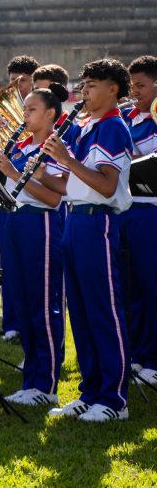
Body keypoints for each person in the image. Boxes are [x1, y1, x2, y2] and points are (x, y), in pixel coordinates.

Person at [41, 58, 134, 422]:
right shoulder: (84, 126)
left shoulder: (113, 127)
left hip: (99, 224)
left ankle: (114, 400)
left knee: (103, 311)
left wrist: (66, 157)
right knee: (78, 311)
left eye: (92, 84)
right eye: (83, 84)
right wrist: (21, 169)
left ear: (113, 88)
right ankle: (91, 390)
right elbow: (67, 186)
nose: (84, 91)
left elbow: (107, 185)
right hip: (74, 220)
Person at [0, 86, 70, 407]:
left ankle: (46, 383)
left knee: (42, 303)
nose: (24, 116)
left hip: (43, 224)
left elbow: (54, 196)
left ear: (50, 113)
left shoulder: (57, 147)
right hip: (16, 222)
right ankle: (31, 378)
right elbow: (9, 188)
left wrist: (12, 171)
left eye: (31, 110)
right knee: (22, 303)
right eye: (24, 110)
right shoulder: (22, 146)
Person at [119, 55, 157, 386]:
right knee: (128, 286)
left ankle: (153, 360)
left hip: (150, 209)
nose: (134, 92)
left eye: (141, 86)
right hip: (124, 208)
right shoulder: (126, 117)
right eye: (132, 86)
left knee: (151, 285)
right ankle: (133, 353)